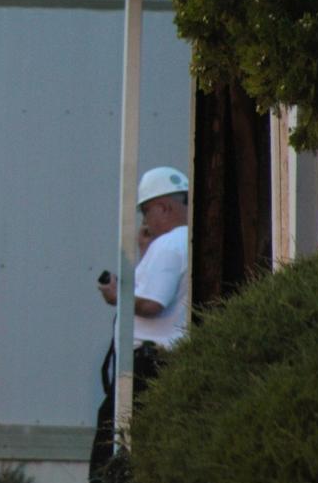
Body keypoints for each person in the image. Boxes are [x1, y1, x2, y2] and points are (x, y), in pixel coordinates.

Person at [88, 166, 190, 483]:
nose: (145, 221)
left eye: (147, 211)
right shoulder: (180, 243)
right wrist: (145, 252)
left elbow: (152, 303)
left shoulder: (169, 245)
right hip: (167, 360)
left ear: (165, 207)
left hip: (146, 365)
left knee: (112, 442)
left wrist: (118, 295)